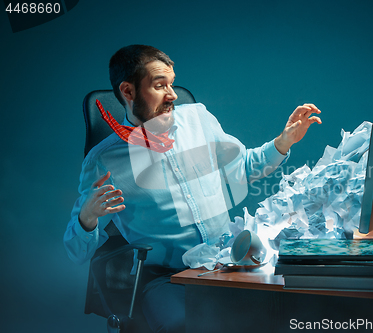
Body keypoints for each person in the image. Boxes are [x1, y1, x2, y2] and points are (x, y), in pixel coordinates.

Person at [64, 44, 321, 333]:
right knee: (189, 325)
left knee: (299, 302)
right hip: (168, 278)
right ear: (128, 92)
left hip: (228, 262)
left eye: (171, 84)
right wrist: (87, 217)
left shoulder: (198, 120)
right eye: (160, 86)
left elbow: (245, 167)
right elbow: (75, 251)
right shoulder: (103, 161)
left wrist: (284, 141)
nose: (172, 94)